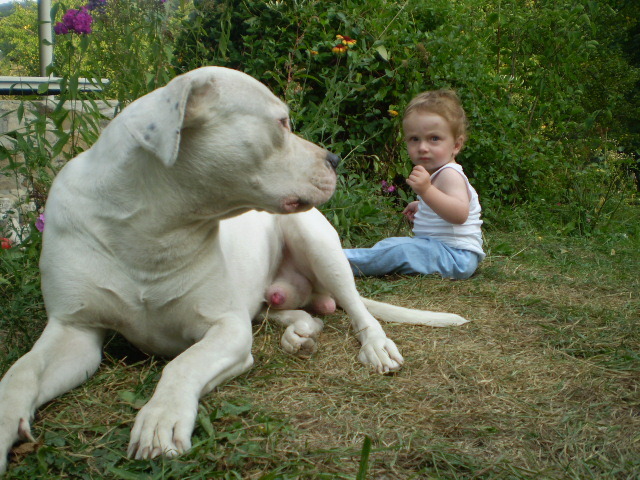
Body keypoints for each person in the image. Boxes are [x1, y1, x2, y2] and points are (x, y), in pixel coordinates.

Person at [343, 90, 484, 279]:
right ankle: (353, 259)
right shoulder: (437, 174)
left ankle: (334, 261)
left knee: (401, 250)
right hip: (441, 250)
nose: (423, 147)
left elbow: (459, 214)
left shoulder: (450, 175)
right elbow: (444, 205)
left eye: (434, 138)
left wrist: (426, 191)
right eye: (414, 139)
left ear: (456, 145)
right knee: (393, 245)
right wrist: (423, 205)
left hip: (456, 256)